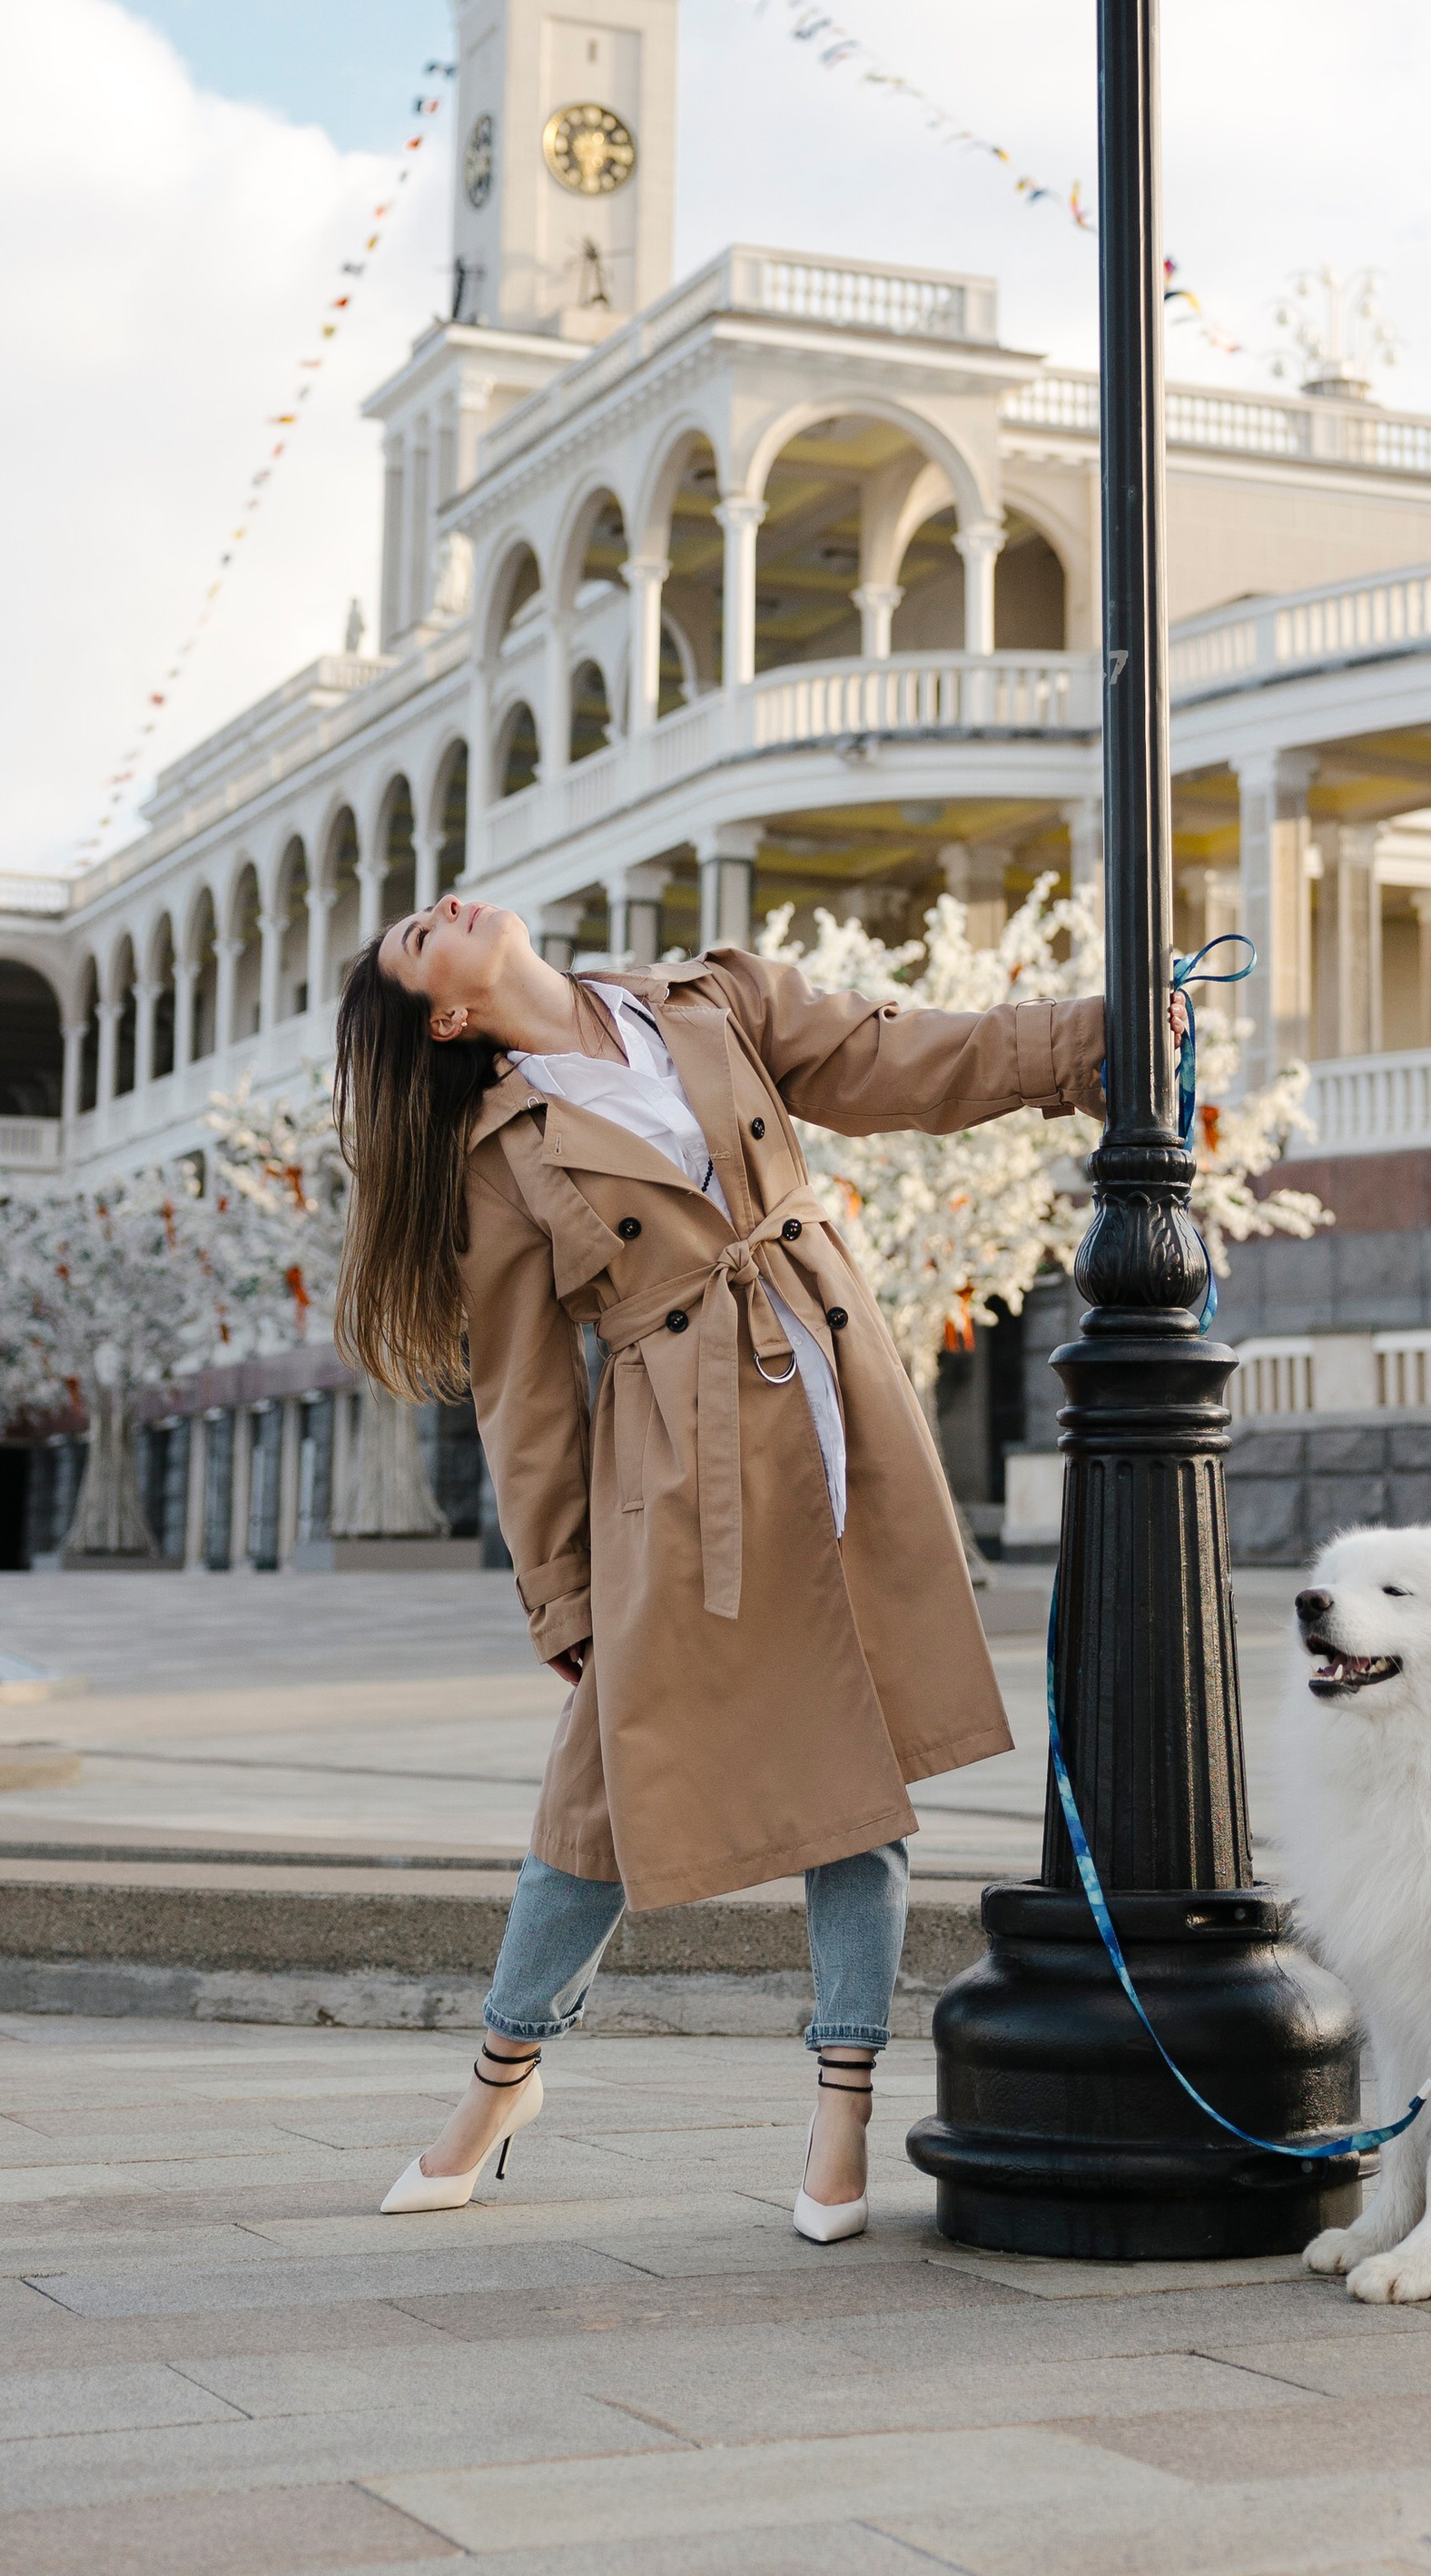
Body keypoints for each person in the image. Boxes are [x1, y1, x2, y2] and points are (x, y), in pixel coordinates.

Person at [332, 893, 1117, 2242]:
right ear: (448, 1016)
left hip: (833, 1394)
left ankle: (843, 2105)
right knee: (598, 1786)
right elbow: (525, 1397)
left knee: (850, 1752)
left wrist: (1085, 1041)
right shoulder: (494, 1153)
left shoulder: (706, 1000)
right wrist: (563, 1590)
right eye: (418, 940)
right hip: (677, 1464)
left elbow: (895, 1055)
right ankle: (498, 2082)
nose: (442, 910)